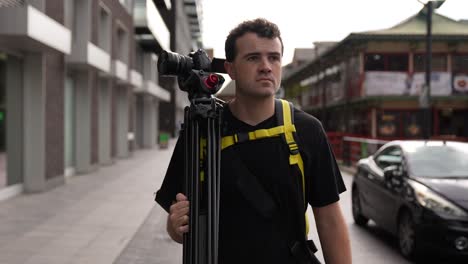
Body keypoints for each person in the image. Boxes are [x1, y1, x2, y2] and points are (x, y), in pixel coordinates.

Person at [155, 18, 352, 264]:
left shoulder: (306, 130)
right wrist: (175, 226)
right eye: (253, 58)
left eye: (274, 57)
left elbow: (330, 219)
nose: (266, 66)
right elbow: (177, 226)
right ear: (231, 69)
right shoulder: (201, 129)